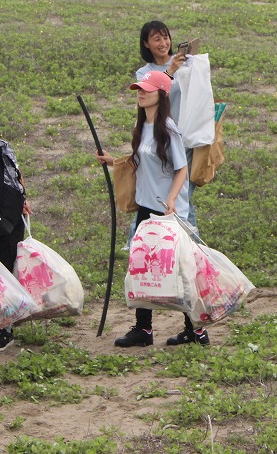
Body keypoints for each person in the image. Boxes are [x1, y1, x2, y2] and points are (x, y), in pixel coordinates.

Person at [96, 71, 208, 347]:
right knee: (143, 266)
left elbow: (182, 168)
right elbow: (140, 160)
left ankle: (196, 331)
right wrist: (114, 162)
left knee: (179, 269)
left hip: (168, 212)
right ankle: (143, 330)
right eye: (138, 89)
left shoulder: (168, 128)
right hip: (146, 208)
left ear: (162, 94)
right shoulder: (143, 126)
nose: (140, 93)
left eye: (146, 89)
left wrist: (171, 199)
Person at [137, 20, 203, 228]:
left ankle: (190, 239)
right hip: (159, 137)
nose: (163, 43)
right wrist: (171, 71)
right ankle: (141, 234)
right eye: (157, 39)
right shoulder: (144, 72)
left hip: (184, 135)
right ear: (146, 44)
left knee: (182, 192)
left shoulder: (183, 64)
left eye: (166, 37)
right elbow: (155, 91)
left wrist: (191, 67)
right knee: (157, 192)